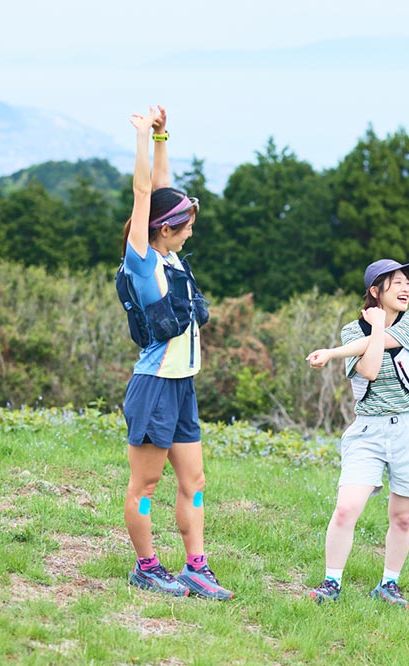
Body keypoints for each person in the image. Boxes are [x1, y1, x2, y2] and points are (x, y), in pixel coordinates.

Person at [120, 106, 232, 600]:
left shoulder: (170, 257)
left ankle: (195, 567)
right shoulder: (143, 263)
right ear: (163, 229)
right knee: (145, 489)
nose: (190, 231)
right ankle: (146, 567)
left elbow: (162, 194)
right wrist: (141, 139)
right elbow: (145, 195)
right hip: (154, 388)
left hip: (182, 386)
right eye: (184, 225)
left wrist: (163, 138)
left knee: (195, 482)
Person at [304, 259, 409, 608]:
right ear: (376, 291)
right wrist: (364, 334)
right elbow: (370, 368)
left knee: (403, 517)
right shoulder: (352, 331)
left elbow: (381, 347)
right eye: (397, 283)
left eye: (408, 282)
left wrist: (337, 350)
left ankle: (389, 585)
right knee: (346, 509)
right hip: (368, 431)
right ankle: (331, 582)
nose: (406, 288)